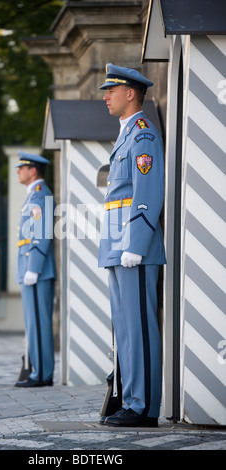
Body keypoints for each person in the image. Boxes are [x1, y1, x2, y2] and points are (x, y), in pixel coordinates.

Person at [98, 64, 166, 427]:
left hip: (133, 248)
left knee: (139, 327)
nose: (105, 96)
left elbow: (147, 192)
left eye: (111, 90)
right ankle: (129, 398)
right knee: (125, 328)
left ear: (130, 94)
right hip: (117, 247)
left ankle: (144, 407)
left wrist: (136, 243)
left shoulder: (143, 135)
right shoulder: (126, 136)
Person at [15, 151, 56, 387]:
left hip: (36, 270)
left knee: (38, 323)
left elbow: (40, 234)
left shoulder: (40, 196)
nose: (18, 171)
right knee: (34, 323)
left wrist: (34, 267)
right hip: (30, 268)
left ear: (33, 171)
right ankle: (39, 372)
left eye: (22, 167)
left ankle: (42, 375)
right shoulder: (33, 196)